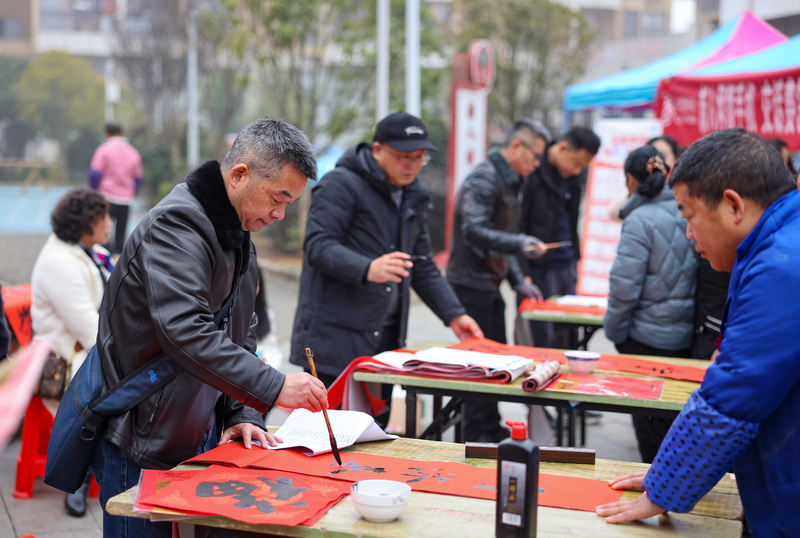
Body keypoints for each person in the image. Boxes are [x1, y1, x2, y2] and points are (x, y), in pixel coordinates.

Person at [90, 117, 328, 538]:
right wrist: (274, 386)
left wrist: (242, 411)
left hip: (196, 422)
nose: (280, 214)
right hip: (143, 432)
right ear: (239, 175)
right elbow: (186, 331)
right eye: (278, 197)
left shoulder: (237, 232)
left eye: (289, 203)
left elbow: (242, 330)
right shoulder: (176, 225)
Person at [597, 129, 800, 537]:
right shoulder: (780, 242)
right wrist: (668, 472)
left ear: (733, 206)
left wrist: (664, 486)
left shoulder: (782, 265)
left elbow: (733, 395)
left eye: (688, 216)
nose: (689, 234)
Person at [290, 112, 482, 412]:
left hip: (386, 339)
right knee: (331, 432)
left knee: (375, 430)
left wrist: (455, 314)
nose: (412, 165)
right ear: (378, 150)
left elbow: (421, 264)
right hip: (335, 339)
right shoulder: (341, 184)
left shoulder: (413, 194)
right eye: (404, 157)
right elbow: (318, 246)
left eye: (419, 158)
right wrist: (368, 268)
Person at [446, 119, 550, 442]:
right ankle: (478, 434)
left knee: (497, 361)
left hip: (490, 282)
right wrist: (519, 243)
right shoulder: (484, 178)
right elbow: (473, 230)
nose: (536, 164)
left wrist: (517, 278)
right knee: (481, 363)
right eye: (535, 156)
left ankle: (489, 427)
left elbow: (504, 237)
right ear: (516, 146)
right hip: (471, 283)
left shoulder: (513, 181)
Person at [603, 146, 698, 463]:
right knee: (674, 425)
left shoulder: (639, 219)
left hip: (644, 339)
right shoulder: (688, 211)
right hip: (684, 336)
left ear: (630, 180)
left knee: (648, 428)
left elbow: (624, 288)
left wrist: (615, 332)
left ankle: (655, 484)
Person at [30, 188, 114, 517]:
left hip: (87, 350)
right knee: (118, 390)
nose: (110, 223)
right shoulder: (60, 263)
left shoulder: (89, 251)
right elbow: (90, 332)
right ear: (84, 223)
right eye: (103, 217)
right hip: (64, 362)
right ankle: (78, 478)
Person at [518, 126, 600, 349]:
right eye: (576, 163)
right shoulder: (533, 168)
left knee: (568, 334)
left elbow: (572, 218)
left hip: (567, 262)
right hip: (538, 266)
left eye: (583, 167)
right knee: (540, 336)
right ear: (562, 148)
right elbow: (519, 224)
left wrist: (575, 256)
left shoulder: (573, 176)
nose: (577, 170)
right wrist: (523, 272)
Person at [89, 122, 143, 255]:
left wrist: (94, 192)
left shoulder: (103, 150)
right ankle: (118, 257)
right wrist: (133, 193)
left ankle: (106, 255)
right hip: (125, 199)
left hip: (106, 197)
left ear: (107, 133)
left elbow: (95, 174)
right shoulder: (133, 152)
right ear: (122, 133)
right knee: (121, 233)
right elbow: (138, 178)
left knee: (104, 230)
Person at [607, 135, 680, 223]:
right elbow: (614, 212)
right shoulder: (635, 187)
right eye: (652, 155)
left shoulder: (681, 192)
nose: (656, 160)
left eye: (663, 155)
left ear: (675, 159)